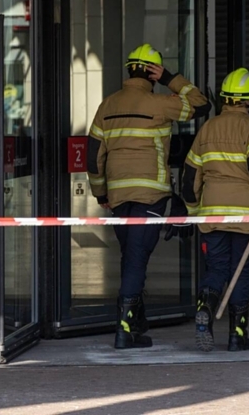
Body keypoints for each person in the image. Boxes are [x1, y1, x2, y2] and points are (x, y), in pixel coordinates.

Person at [87, 43, 210, 349]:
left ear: (130, 70)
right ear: (152, 74)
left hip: (118, 196)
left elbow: (92, 157)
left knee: (131, 256)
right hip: (150, 195)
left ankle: (135, 324)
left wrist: (100, 191)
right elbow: (202, 104)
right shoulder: (161, 104)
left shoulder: (108, 105)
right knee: (136, 260)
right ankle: (124, 331)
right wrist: (171, 78)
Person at [181, 67, 249, 352]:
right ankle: (237, 335)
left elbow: (190, 178)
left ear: (225, 97)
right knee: (239, 271)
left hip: (211, 213)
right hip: (245, 215)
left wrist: (193, 211)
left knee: (217, 268)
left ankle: (205, 310)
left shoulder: (207, 128)